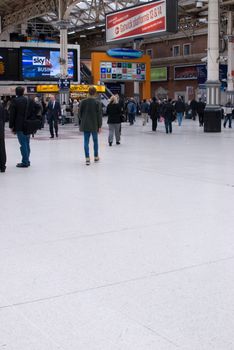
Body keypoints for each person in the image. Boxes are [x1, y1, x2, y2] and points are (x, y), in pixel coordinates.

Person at [9, 86, 36, 168]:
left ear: (16, 92)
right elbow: (35, 110)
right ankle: (27, 160)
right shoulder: (29, 100)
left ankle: (25, 162)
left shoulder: (15, 101)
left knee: (23, 143)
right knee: (27, 143)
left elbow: (12, 115)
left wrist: (11, 126)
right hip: (28, 125)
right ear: (23, 92)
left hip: (19, 125)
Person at [79, 86, 103, 165]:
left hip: (85, 125)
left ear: (88, 92)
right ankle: (96, 156)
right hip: (94, 125)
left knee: (86, 141)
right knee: (95, 141)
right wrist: (100, 126)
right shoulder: (97, 102)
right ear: (95, 93)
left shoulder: (83, 102)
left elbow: (79, 114)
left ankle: (87, 158)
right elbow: (99, 115)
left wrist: (83, 120)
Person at [0, 102, 6, 172]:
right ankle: (2, 166)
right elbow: (4, 118)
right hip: (1, 129)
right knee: (1, 147)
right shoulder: (1, 106)